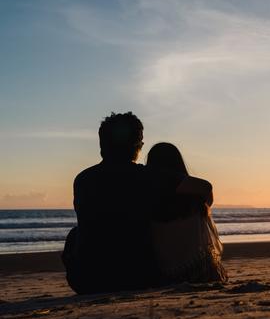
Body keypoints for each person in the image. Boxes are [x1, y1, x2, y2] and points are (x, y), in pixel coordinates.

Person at [63, 112, 217, 294]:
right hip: (138, 278)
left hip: (86, 281)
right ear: (138, 146)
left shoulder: (82, 180)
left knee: (75, 234)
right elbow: (205, 188)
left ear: (102, 144)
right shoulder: (149, 176)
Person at [146, 142, 228, 284]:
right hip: (197, 267)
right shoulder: (193, 201)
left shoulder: (147, 192)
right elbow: (207, 189)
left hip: (163, 270)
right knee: (201, 207)